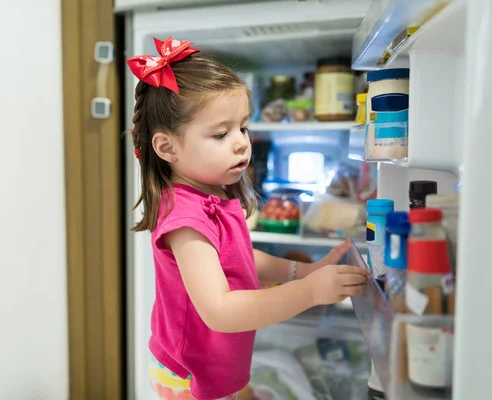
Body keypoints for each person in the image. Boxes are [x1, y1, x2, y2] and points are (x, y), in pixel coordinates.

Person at [127, 37, 369, 400]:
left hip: (218, 361)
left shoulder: (211, 193)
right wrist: (309, 292)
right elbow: (221, 311)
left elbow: (236, 259)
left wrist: (303, 271)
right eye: (221, 134)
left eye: (243, 127)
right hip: (190, 373)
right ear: (167, 148)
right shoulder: (186, 218)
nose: (241, 142)